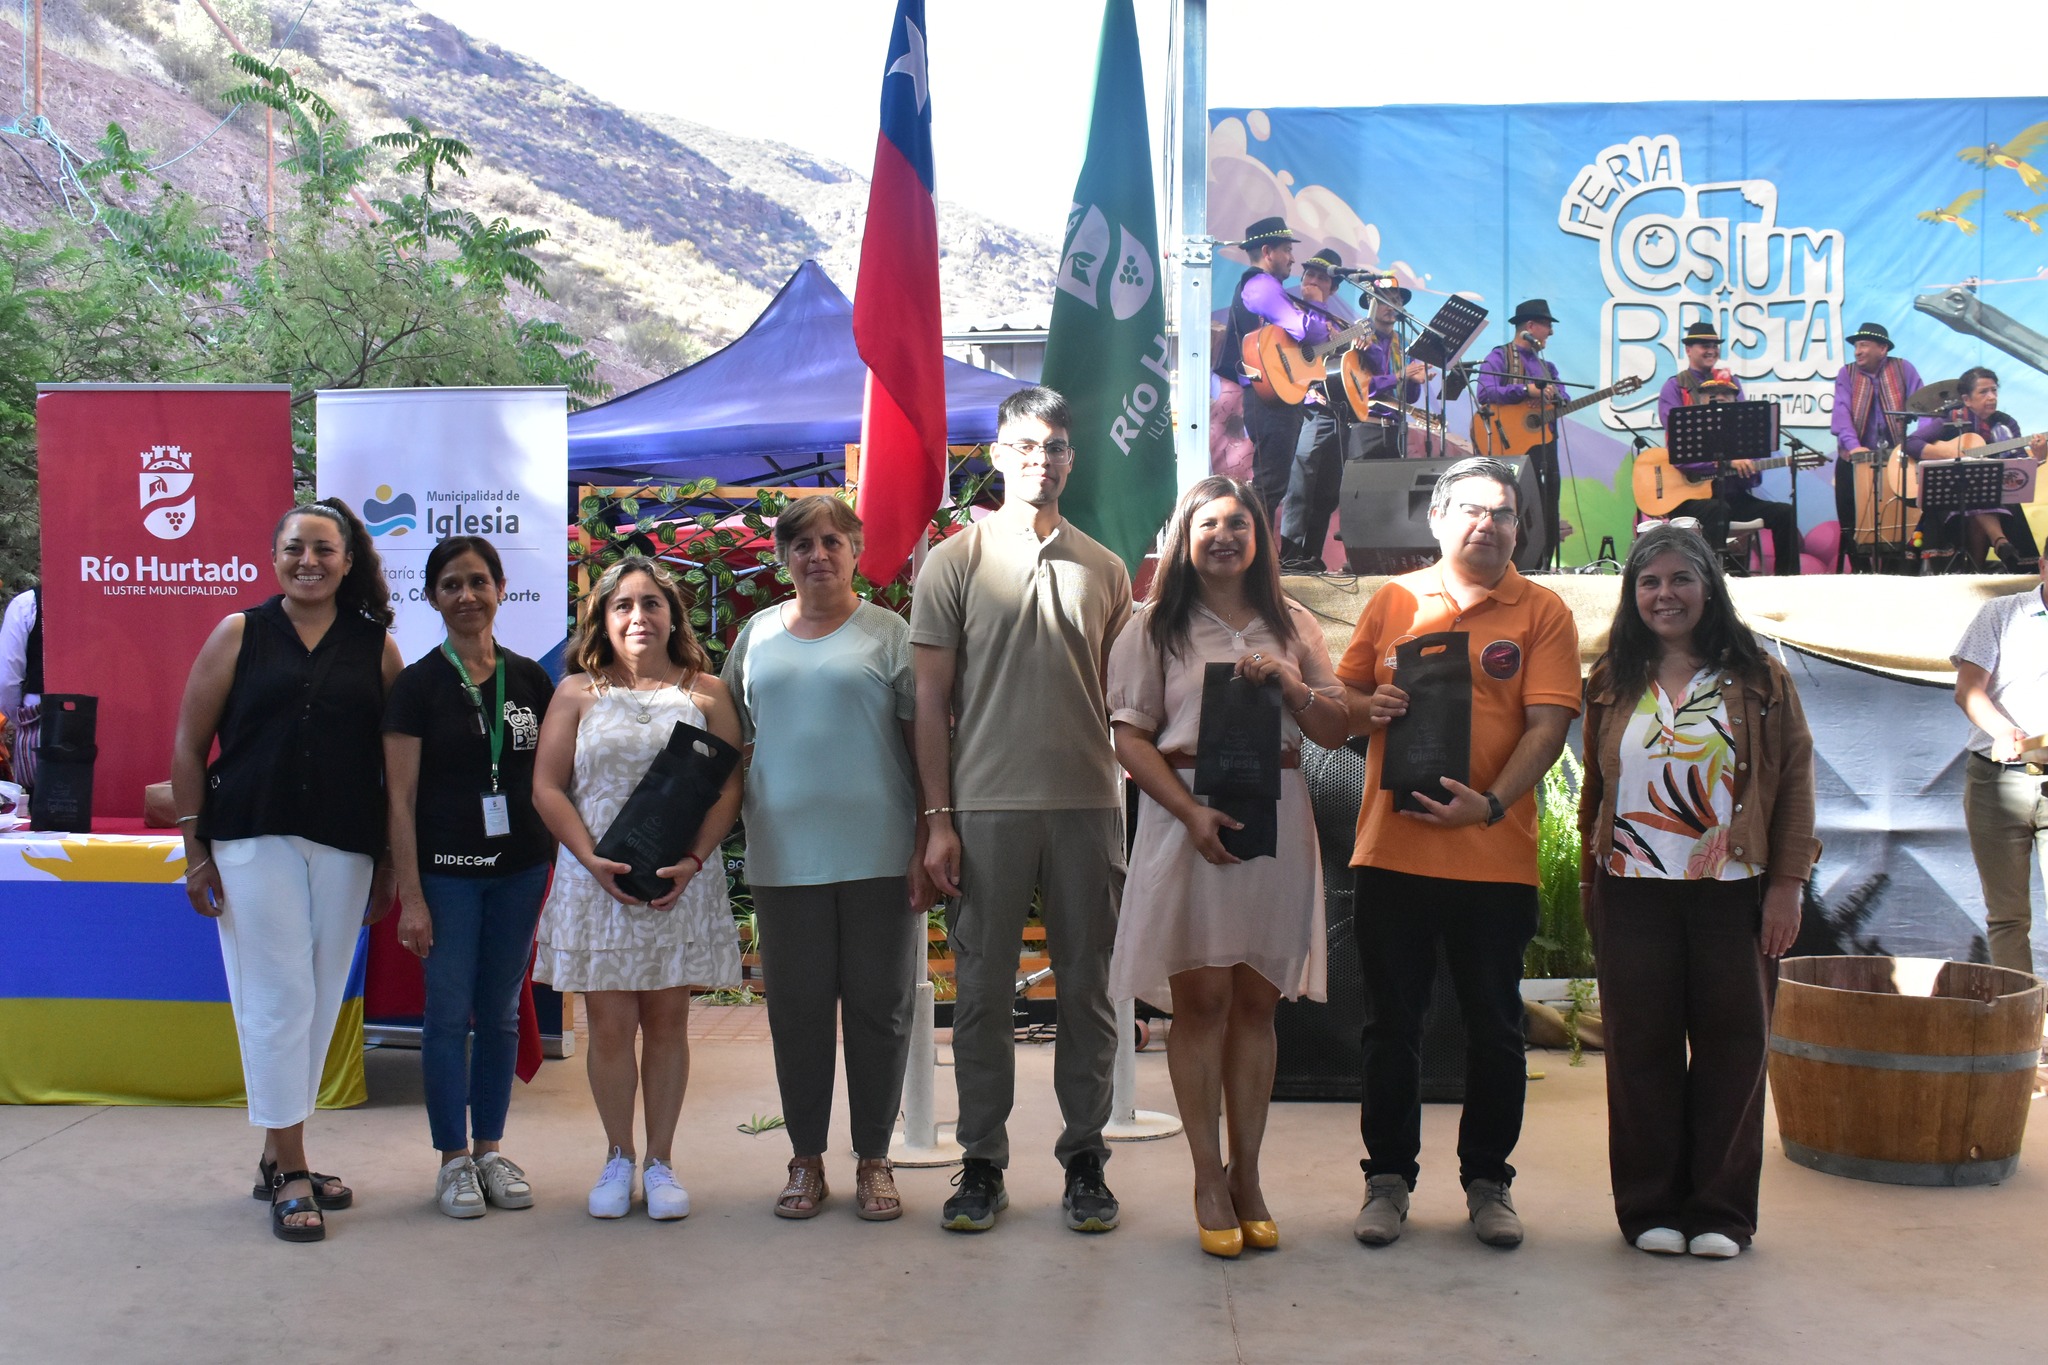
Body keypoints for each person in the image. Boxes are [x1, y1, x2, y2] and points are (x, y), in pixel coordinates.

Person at [1336, 457, 1581, 1249]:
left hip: (1493, 858)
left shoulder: (1542, 611)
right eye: (1473, 509)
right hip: (1393, 853)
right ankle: (1388, 1179)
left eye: (1505, 513)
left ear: (1521, 527)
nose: (1489, 524)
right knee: (1390, 1028)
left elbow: (1547, 725)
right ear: (1437, 519)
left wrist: (1493, 804)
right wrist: (1366, 705)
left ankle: (1488, 1181)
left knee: (1496, 1028)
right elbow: (1343, 705)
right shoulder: (1394, 599)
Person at [1107, 476, 1350, 1258]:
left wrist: (1291, 682)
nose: (1224, 536)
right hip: (1191, 816)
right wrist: (1188, 811)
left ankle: (1249, 1175)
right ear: (1185, 535)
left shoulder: (1295, 621)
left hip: (1275, 811)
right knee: (1202, 998)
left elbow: (1337, 726)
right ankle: (1207, 1175)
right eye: (1208, 523)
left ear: (1259, 537)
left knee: (1256, 1002)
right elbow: (1131, 737)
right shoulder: (1154, 626)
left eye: (1238, 524)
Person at [912, 384, 1134, 1234]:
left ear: (1071, 460)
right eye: (1025, 446)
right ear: (999, 454)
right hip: (986, 807)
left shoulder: (1106, 569)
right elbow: (930, 701)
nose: (1040, 460)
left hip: (1087, 803)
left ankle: (1085, 1160)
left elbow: (1129, 701)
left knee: (1088, 991)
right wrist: (938, 816)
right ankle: (981, 1164)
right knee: (979, 997)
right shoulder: (954, 562)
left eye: (1055, 447)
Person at [1577, 523, 1816, 1260]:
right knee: (1639, 1048)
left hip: (1731, 891)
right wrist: (1592, 885)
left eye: (1680, 579)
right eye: (1649, 583)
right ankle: (1648, 1205)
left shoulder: (1759, 679)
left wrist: (1787, 884)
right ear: (1633, 594)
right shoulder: (1611, 680)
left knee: (1732, 1049)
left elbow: (1797, 781)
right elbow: (1595, 789)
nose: (1664, 594)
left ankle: (1720, 1212)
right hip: (1633, 889)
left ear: (1709, 586)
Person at [170, 499, 403, 1243]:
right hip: (250, 839)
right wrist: (194, 847)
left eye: (324, 549)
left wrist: (392, 861)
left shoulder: (377, 646)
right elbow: (187, 745)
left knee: (318, 997)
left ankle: (277, 1155)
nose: (310, 560)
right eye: (296, 548)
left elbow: (397, 769)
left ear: (346, 560)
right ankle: (295, 1169)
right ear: (275, 557)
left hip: (346, 842)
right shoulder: (240, 632)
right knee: (278, 998)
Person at [722, 497, 931, 1222]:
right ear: (783, 556)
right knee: (799, 1014)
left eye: (832, 541)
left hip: (879, 855)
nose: (818, 554)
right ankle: (805, 1158)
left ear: (856, 548)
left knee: (882, 1011)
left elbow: (920, 747)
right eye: (803, 543)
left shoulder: (891, 634)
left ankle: (874, 1158)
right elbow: (733, 744)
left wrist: (931, 836)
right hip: (784, 860)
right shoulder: (754, 637)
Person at [530, 554, 743, 1221]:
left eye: (651, 602)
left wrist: (697, 856)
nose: (638, 616)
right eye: (623, 604)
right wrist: (590, 858)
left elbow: (730, 784)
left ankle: (662, 1161)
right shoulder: (575, 692)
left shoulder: (706, 692)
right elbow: (545, 785)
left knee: (669, 1021)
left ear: (673, 613)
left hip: (677, 879)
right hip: (598, 881)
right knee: (611, 1025)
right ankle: (617, 1155)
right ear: (602, 617)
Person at [383, 536, 556, 1220]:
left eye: (478, 581)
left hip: (520, 873)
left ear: (501, 588)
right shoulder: (417, 685)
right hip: (447, 876)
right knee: (448, 1015)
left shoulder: (531, 680)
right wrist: (412, 897)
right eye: (451, 584)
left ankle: (490, 1148)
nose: (467, 594)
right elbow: (398, 799)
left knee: (505, 1013)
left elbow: (550, 780)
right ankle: (452, 1159)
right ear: (432, 596)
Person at [1951, 554, 2048, 979]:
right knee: (2007, 916)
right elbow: (1968, 689)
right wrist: (2003, 730)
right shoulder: (2001, 612)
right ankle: (2020, 1021)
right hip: (1997, 779)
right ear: (2044, 565)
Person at [1657, 323, 1801, 575]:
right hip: (1690, 497)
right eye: (1705, 345)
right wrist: (1721, 463)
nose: (1711, 349)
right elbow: (1678, 448)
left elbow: (1746, 436)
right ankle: (1712, 582)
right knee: (1716, 509)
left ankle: (1787, 584)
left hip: (1731, 494)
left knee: (1784, 513)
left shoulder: (1731, 382)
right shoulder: (1675, 386)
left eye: (1715, 345)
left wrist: (1748, 466)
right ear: (1688, 349)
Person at [1212, 217, 1331, 522]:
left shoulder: (1264, 288)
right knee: (1270, 484)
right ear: (1267, 251)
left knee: (1272, 483)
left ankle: (1258, 551)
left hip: (1273, 394)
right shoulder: (1261, 285)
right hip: (1269, 398)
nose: (1292, 258)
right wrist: (1317, 311)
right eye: (1287, 250)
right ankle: (1255, 553)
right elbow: (1305, 330)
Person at [1904, 366, 2048, 572]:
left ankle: (1980, 567)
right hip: (1949, 496)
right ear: (1967, 399)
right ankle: (1998, 543)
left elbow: (2019, 463)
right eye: (1983, 392)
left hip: (1995, 495)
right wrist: (1951, 454)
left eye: (1994, 390)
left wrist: (2040, 455)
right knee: (1975, 495)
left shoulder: (2006, 424)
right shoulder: (1951, 420)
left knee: (1980, 496)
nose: (1991, 397)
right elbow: (1911, 442)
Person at [1278, 248, 1361, 571]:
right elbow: (1294, 346)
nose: (1312, 280)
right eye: (1309, 274)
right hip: (1304, 407)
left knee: (1327, 490)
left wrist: (1353, 346)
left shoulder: (1338, 324)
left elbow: (1334, 362)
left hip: (1333, 411)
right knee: (1300, 482)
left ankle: (1310, 556)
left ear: (1334, 286)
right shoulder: (1289, 309)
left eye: (1321, 278)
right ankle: (1289, 554)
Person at [1474, 299, 1566, 559]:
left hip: (1546, 450)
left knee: (1549, 509)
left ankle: (1545, 569)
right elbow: (1485, 392)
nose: (1551, 332)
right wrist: (1526, 390)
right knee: (1518, 508)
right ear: (1530, 326)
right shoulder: (1500, 356)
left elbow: (1565, 396)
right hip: (1511, 449)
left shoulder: (1548, 367)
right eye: (1547, 325)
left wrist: (1553, 396)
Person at [1829, 322, 1924, 570]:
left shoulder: (1904, 369)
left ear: (1882, 348)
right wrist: (1853, 447)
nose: (1857, 351)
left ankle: (1894, 575)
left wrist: (1918, 443)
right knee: (1852, 522)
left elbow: (1926, 407)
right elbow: (1841, 413)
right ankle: (1861, 572)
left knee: (1896, 520)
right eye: (1856, 346)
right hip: (1854, 458)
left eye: (1863, 345)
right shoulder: (1846, 373)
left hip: (1895, 459)